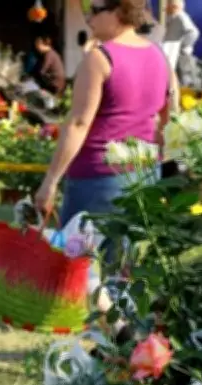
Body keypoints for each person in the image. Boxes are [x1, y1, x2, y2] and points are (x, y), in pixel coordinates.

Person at [33, 0, 170, 338]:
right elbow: (165, 115)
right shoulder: (158, 55)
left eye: (96, 9)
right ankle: (127, 349)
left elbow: (79, 122)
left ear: (120, 11)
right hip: (142, 172)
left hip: (98, 176)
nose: (89, 18)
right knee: (122, 269)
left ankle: (115, 337)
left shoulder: (100, 57)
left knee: (76, 263)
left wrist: (50, 180)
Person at [162, 0, 198, 87]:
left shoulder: (181, 17)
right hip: (171, 55)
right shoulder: (169, 17)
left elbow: (193, 33)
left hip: (180, 57)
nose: (165, 7)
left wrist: (182, 47)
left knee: (183, 79)